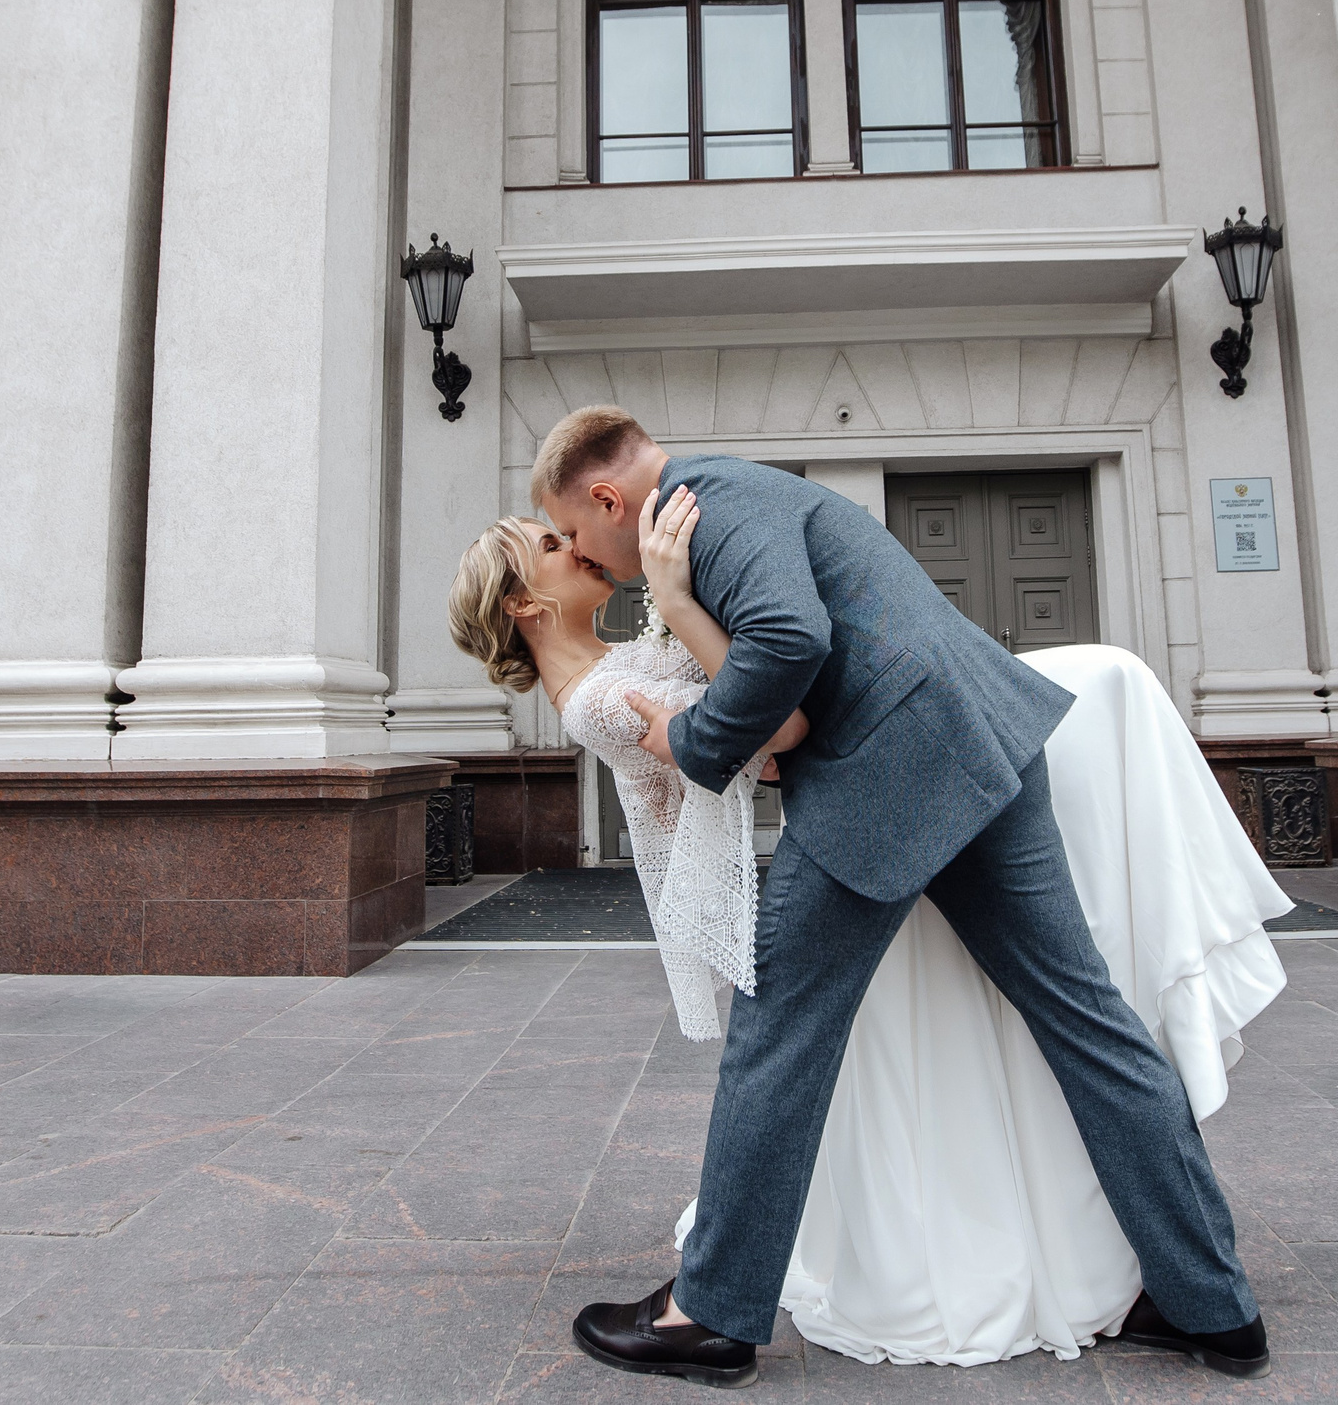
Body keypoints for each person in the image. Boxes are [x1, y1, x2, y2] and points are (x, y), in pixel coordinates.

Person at [445, 404, 1288, 1386]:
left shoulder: (698, 509)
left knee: (777, 1036)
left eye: (576, 531)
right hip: (985, 745)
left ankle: (708, 1313)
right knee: (1087, 1019)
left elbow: (787, 644)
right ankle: (1210, 1306)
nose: (591, 555)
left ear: (603, 498)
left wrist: (704, 739)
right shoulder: (737, 493)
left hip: (888, 775)